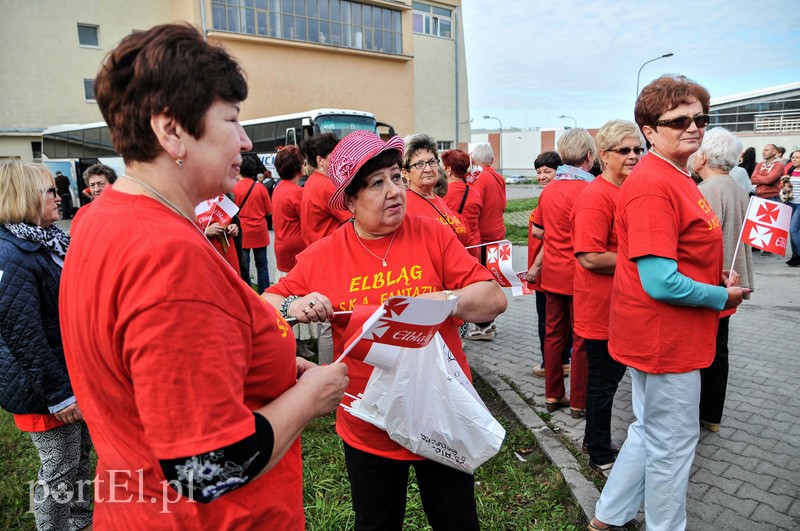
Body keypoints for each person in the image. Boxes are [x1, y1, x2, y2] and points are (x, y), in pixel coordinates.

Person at [59, 23, 348, 528]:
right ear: (171, 130)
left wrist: (275, 374)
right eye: (232, 120)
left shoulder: (100, 217)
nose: (243, 139)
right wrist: (310, 397)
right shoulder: (166, 256)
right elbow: (205, 469)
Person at [264, 130, 507, 530]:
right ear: (351, 200)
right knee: (376, 523)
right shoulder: (325, 254)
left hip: (440, 412)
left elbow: (492, 300)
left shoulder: (431, 233)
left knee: (457, 521)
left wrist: (441, 300)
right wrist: (295, 304)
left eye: (397, 176)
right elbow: (265, 303)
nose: (395, 191)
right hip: (369, 421)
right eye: (378, 183)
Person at [589, 75, 748, 531]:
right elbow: (659, 282)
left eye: (700, 117)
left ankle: (608, 515)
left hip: (667, 335)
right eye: (678, 120)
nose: (693, 127)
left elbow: (676, 258)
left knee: (649, 431)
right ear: (650, 130)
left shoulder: (678, 177)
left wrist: (713, 276)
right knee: (673, 445)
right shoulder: (654, 184)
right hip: (664, 338)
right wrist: (722, 294)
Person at [0, 160, 93, 530]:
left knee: (78, 461)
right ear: (25, 197)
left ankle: (80, 523)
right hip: (44, 388)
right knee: (60, 471)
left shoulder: (44, 241)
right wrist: (61, 395)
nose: (59, 197)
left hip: (67, 375)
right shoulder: (13, 253)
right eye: (49, 191)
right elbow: (24, 336)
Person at [571, 120, 644, 476]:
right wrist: (645, 259)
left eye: (638, 150)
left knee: (609, 382)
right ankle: (598, 452)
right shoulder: (596, 197)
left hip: (623, 307)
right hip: (602, 311)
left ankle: (593, 440)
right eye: (624, 150)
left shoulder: (626, 190)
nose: (633, 156)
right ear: (603, 155)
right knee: (603, 385)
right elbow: (589, 256)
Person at [691, 127, 754, 433]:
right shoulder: (736, 186)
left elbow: (700, 241)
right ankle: (712, 415)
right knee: (719, 349)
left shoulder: (706, 190)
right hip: (730, 284)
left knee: (704, 351)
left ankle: (699, 412)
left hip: (712, 283)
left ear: (704, 155)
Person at [530, 128, 595, 420]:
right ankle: (579, 401)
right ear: (590, 157)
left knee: (553, 334)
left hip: (553, 274)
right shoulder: (591, 190)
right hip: (581, 275)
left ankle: (552, 394)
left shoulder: (551, 188)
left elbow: (538, 230)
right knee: (580, 338)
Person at [300, 132, 347, 364]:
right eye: (335, 156)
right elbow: (352, 218)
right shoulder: (325, 185)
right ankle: (328, 369)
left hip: (321, 255)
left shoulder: (314, 182)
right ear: (321, 160)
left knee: (327, 321)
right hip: (331, 258)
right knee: (331, 321)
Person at [527, 151, 571, 379]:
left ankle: (552, 364)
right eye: (539, 172)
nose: (542, 176)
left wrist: (535, 266)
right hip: (550, 269)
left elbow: (550, 236)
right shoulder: (548, 196)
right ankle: (562, 360)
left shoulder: (554, 198)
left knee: (548, 322)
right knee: (558, 321)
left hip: (548, 271)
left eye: (548, 171)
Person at [272, 145, 312, 355]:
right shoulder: (297, 192)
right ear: (298, 167)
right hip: (296, 248)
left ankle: (294, 339)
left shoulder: (279, 188)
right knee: (297, 292)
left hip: (281, 245)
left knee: (284, 289)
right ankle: (298, 340)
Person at [402, 134, 471, 248]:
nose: (428, 169)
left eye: (432, 162)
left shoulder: (439, 201)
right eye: (419, 164)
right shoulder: (403, 205)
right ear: (405, 173)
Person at [467, 142, 507, 340]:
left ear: (473, 159)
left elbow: (474, 207)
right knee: (492, 280)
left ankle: (484, 325)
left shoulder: (478, 178)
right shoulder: (498, 178)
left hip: (482, 239)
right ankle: (489, 323)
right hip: (498, 236)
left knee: (481, 282)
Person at [234, 154, 273, 293]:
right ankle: (265, 292)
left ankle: (248, 293)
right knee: (262, 265)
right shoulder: (260, 188)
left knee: (245, 266)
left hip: (243, 231)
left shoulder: (235, 188)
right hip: (260, 232)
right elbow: (269, 211)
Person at [441, 148, 482, 259]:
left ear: (448, 170)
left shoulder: (444, 194)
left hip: (455, 248)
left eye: (444, 168)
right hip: (474, 247)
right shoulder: (475, 192)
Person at [70, 163, 119, 234]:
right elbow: (74, 238)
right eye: (92, 185)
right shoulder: (83, 211)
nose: (96, 189)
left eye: (101, 184)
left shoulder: (125, 209)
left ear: (112, 185)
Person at [784, 150, 800, 267]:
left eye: (797, 158)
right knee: (792, 231)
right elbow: (785, 185)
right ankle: (795, 256)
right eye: (793, 157)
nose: (794, 159)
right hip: (790, 203)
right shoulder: (790, 170)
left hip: (799, 204)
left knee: (793, 230)